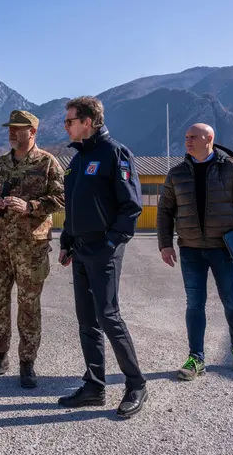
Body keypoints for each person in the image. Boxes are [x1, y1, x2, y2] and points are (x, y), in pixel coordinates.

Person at [58, 96, 148, 418]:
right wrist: (67, 241)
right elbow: (73, 208)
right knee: (86, 320)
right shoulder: (78, 160)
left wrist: (111, 243)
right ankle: (94, 386)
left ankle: (136, 384)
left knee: (108, 316)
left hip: (104, 248)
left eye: (69, 121)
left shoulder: (115, 154)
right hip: (80, 249)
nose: (65, 126)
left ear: (88, 121)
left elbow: (130, 206)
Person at [157, 123, 233, 381]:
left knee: (231, 300)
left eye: (193, 137)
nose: (188, 141)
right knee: (194, 303)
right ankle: (196, 358)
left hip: (223, 249)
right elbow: (165, 211)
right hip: (190, 249)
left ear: (210, 139)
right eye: (186, 137)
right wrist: (165, 243)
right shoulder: (176, 173)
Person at [0, 110, 65, 389]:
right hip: (0, 244)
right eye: (10, 128)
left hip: (31, 248)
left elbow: (62, 198)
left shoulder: (47, 163)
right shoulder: (1, 164)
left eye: (18, 128)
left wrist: (31, 206)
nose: (12, 132)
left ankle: (27, 362)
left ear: (33, 132)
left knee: (28, 306)